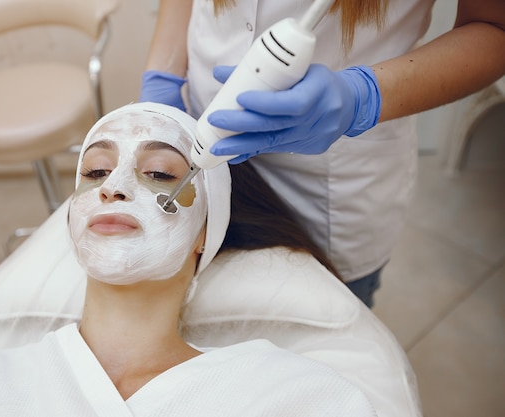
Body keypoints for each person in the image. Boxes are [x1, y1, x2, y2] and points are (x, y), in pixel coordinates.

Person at [0, 103, 378, 416]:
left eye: (160, 174)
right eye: (95, 170)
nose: (113, 187)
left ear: (207, 231)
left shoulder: (297, 398)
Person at [139, 0, 505, 307]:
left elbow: (494, 30)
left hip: (329, 192)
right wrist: (163, 75)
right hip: (204, 130)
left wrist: (362, 96)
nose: (112, 189)